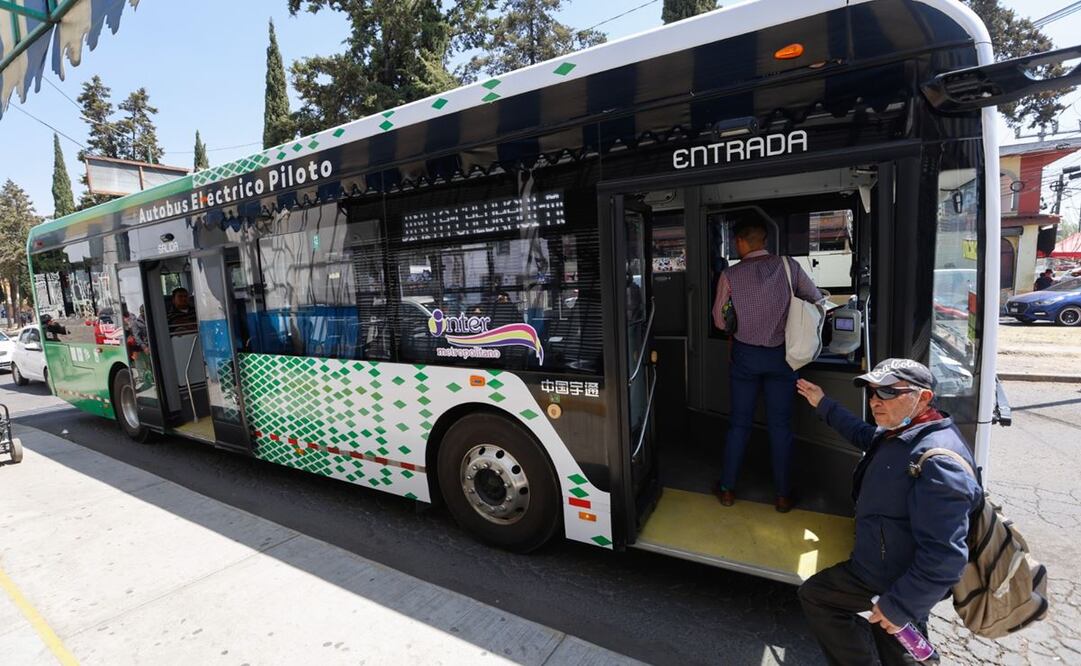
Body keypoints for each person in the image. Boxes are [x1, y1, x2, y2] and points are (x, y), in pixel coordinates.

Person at [795, 358, 981, 665]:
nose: (875, 401)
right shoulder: (900, 433)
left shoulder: (939, 463)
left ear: (923, 398)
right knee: (879, 630)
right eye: (872, 392)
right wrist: (823, 403)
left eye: (888, 393)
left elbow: (946, 557)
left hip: (893, 579)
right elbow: (861, 434)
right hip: (879, 569)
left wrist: (901, 604)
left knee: (828, 601)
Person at [710, 219, 822, 512]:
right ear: (763, 241)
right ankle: (783, 496)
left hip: (745, 357)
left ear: (742, 243)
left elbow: (720, 321)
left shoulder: (730, 275)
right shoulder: (789, 267)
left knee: (739, 425)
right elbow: (816, 298)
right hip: (782, 357)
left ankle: (727, 490)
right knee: (781, 427)